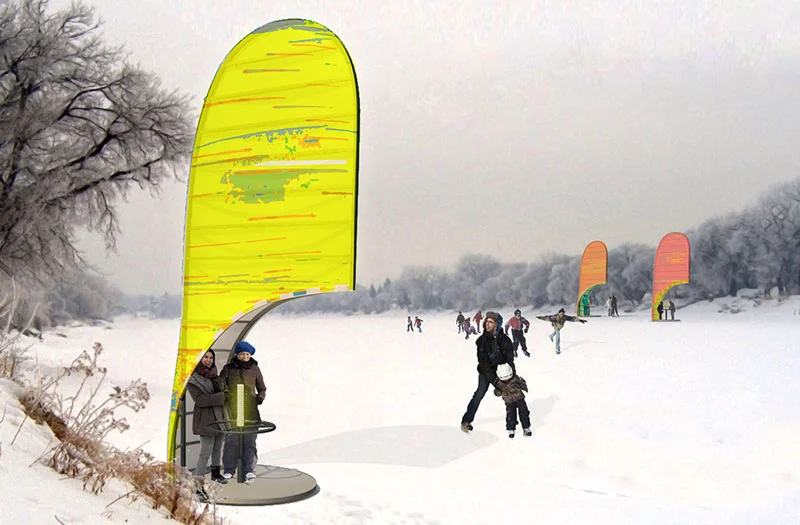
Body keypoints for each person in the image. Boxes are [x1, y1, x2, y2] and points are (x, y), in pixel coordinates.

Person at [460, 311, 516, 433]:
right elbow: (483, 364)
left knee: (512, 392)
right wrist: (496, 382)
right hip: (486, 373)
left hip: (502, 371)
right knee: (480, 393)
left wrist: (512, 378)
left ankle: (513, 422)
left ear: (497, 324)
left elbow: (510, 361)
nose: (487, 324)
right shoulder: (481, 341)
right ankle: (466, 421)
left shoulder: (506, 341)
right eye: (486, 321)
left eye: (490, 322)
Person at [185, 350, 228, 501]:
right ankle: (197, 485)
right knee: (205, 452)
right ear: (200, 359)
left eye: (211, 357)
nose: (208, 360)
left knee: (217, 447)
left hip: (220, 417)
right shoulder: (193, 379)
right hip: (206, 419)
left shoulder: (215, 376)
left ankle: (215, 473)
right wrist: (223, 396)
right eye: (206, 357)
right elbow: (201, 400)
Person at [220, 341, 266, 482]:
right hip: (233, 410)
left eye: (247, 354)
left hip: (250, 410)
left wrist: (259, 398)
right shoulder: (228, 369)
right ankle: (229, 470)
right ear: (237, 354)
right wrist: (227, 395)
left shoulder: (255, 369)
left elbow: (262, 387)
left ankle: (249, 470)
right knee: (231, 441)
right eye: (242, 354)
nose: (245, 357)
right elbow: (221, 383)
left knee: (249, 441)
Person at [493, 363, 532, 438]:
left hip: (520, 398)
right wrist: (498, 391)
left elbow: (522, 382)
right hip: (509, 401)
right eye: (504, 378)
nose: (506, 380)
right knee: (510, 414)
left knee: (524, 412)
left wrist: (523, 385)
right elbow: (496, 392)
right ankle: (511, 428)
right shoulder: (499, 383)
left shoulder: (515, 378)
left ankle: (526, 427)